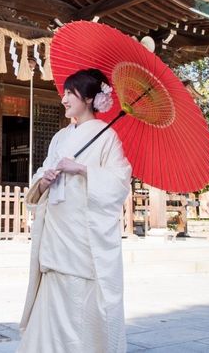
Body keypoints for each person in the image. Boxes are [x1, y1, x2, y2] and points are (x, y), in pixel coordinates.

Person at [18, 68, 132, 353]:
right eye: (65, 92)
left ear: (90, 98)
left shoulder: (107, 137)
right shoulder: (60, 137)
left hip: (83, 237)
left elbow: (119, 181)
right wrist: (43, 181)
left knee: (80, 304)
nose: (64, 99)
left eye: (71, 93)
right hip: (55, 233)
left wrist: (81, 169)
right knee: (51, 298)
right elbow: (43, 173)